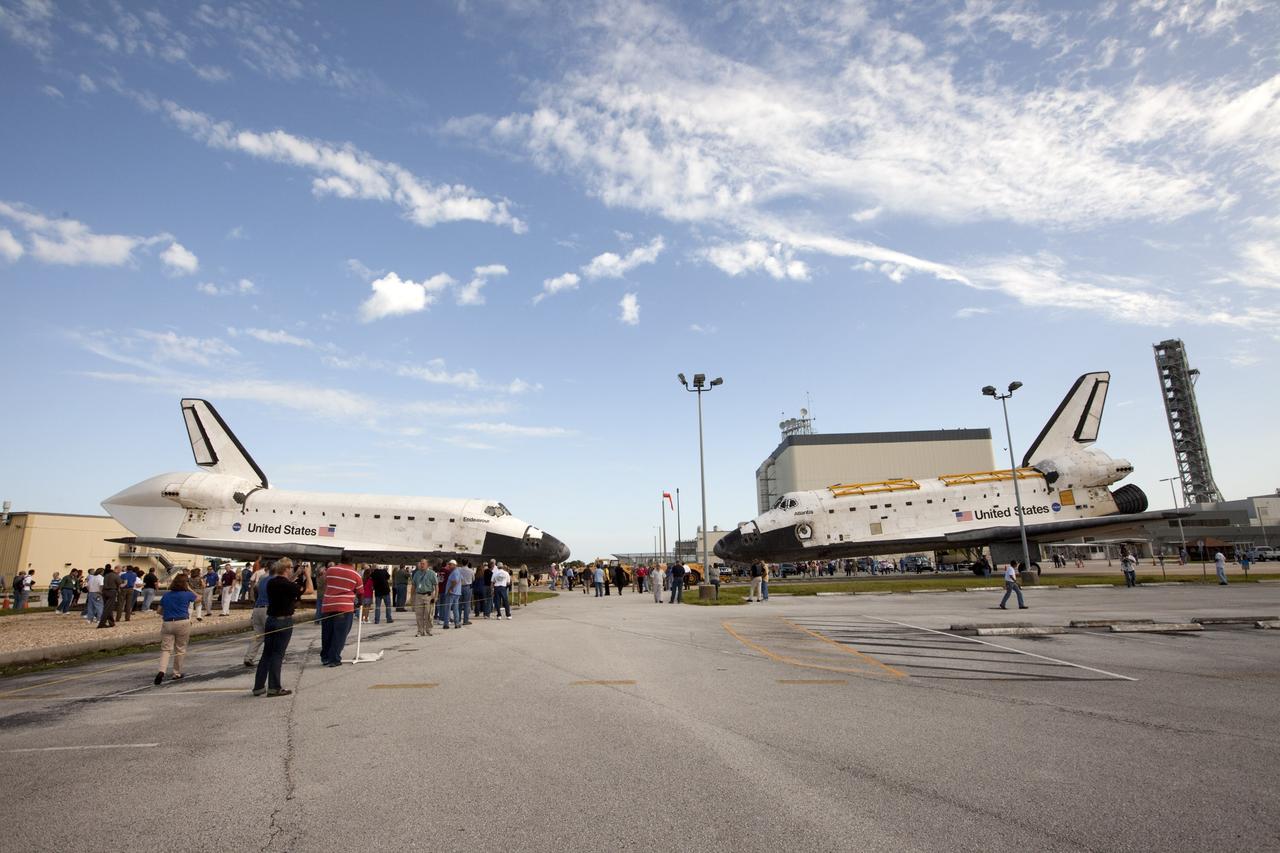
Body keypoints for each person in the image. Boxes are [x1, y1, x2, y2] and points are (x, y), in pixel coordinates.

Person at [253, 558, 302, 697]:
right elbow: (307, 589)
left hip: (271, 619)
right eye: (291, 567)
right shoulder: (288, 585)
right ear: (286, 569)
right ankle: (274, 687)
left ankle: (258, 686)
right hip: (284, 620)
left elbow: (285, 583)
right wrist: (307, 576)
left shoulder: (271, 582)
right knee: (277, 655)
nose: (292, 569)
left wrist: (295, 575)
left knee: (267, 653)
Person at [154, 573, 197, 685]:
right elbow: (199, 598)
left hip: (168, 622)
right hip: (182, 621)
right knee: (180, 649)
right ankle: (176, 672)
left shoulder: (167, 595)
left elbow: (159, 611)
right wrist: (190, 589)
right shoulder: (187, 594)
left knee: (166, 649)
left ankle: (161, 671)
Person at [319, 562, 362, 666]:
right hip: (344, 606)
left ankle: (325, 657)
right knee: (340, 634)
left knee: (327, 633)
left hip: (328, 605)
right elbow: (360, 592)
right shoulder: (355, 574)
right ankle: (334, 659)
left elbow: (324, 582)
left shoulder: (330, 570)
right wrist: (359, 603)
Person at [243, 564, 273, 668]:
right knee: (271, 634)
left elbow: (255, 590)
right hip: (267, 608)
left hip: (257, 608)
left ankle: (249, 657)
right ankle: (270, 658)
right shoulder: (273, 579)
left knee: (258, 635)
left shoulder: (261, 579)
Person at [411, 560, 438, 637]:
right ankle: (420, 631)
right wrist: (412, 597)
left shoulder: (431, 573)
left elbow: (436, 585)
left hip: (428, 596)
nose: (422, 565)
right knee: (419, 615)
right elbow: (413, 585)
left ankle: (428, 630)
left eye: (423, 564)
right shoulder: (417, 574)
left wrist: (436, 596)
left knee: (428, 614)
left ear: (427, 565)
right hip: (419, 596)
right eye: (421, 564)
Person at [442, 563, 464, 629]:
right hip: (457, 593)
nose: (449, 566)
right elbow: (461, 580)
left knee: (447, 608)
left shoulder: (454, 572)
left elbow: (455, 581)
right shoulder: (458, 572)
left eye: (450, 565)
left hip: (452, 593)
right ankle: (457, 623)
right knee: (455, 608)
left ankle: (446, 624)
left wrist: (450, 589)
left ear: (454, 565)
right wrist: (458, 587)